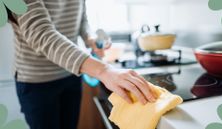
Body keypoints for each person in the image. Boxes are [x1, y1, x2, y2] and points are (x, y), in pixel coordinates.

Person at [8, 0, 156, 129]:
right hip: (37, 81)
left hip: (70, 74)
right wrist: (103, 70)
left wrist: (90, 39)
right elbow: (40, 33)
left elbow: (81, 19)